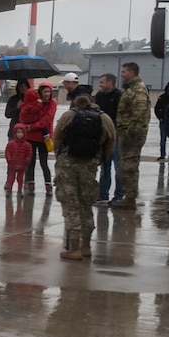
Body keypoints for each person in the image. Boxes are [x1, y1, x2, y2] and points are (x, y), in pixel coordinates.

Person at [54, 93, 114, 261]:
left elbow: (57, 138)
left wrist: (60, 157)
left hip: (68, 164)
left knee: (71, 204)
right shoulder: (104, 118)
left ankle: (73, 248)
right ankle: (86, 246)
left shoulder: (69, 115)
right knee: (86, 204)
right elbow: (111, 143)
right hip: (90, 165)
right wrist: (98, 160)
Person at [110, 61, 152, 208]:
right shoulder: (131, 88)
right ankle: (129, 196)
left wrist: (129, 133)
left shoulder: (137, 90)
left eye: (124, 72)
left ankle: (130, 198)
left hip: (132, 136)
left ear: (132, 73)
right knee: (125, 166)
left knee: (129, 167)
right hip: (126, 133)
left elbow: (139, 114)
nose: (122, 75)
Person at [18, 80, 56, 192]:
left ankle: (48, 184)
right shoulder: (33, 103)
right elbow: (25, 116)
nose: (47, 94)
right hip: (31, 137)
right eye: (45, 91)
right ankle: (30, 184)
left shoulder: (52, 103)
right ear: (40, 92)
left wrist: (32, 127)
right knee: (31, 161)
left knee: (44, 162)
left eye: (49, 91)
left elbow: (46, 119)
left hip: (44, 136)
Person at [92, 73, 121, 201]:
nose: (100, 84)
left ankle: (119, 195)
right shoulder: (98, 96)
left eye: (102, 82)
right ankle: (103, 193)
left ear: (110, 83)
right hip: (103, 136)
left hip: (116, 135)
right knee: (104, 166)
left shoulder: (119, 96)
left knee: (118, 167)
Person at [5, 123, 33, 195]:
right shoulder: (11, 144)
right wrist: (9, 160)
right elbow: (7, 151)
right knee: (11, 178)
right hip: (12, 164)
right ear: (15, 133)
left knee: (20, 179)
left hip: (22, 165)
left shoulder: (27, 145)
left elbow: (29, 153)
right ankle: (9, 190)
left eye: (21, 132)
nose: (20, 134)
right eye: (18, 132)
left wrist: (27, 161)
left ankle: (19, 190)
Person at [153, 83, 169, 159]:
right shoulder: (162, 98)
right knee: (163, 140)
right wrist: (160, 117)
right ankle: (162, 155)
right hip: (164, 122)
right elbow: (157, 108)